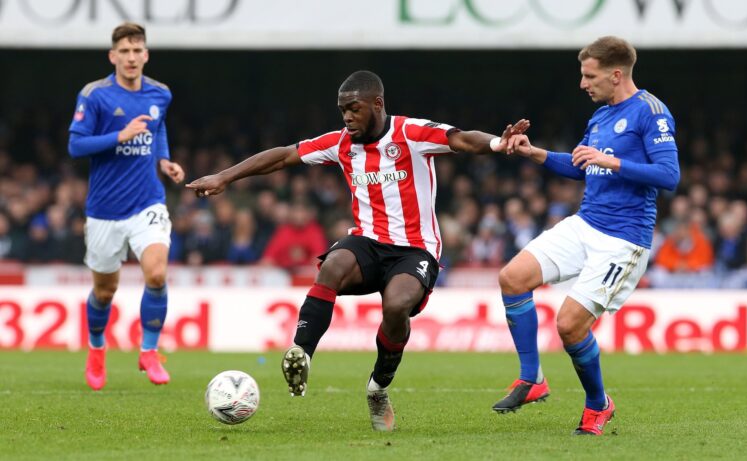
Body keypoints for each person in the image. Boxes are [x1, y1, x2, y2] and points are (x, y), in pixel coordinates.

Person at [187, 70, 529, 431]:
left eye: (354, 108)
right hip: (366, 241)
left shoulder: (409, 133)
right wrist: (224, 177)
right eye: (342, 110)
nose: (347, 117)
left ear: (377, 104)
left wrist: (496, 143)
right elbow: (284, 156)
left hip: (415, 250)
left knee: (397, 307)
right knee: (332, 265)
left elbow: (460, 139)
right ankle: (301, 353)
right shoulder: (340, 142)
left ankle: (378, 388)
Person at [492, 36, 680, 435]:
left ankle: (599, 404)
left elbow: (669, 176)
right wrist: (534, 152)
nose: (583, 83)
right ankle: (532, 379)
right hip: (585, 223)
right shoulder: (599, 117)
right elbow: (581, 166)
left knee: (570, 326)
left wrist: (611, 161)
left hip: (623, 239)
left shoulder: (651, 112)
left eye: (589, 75)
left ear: (616, 74)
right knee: (512, 277)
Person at [68, 23, 185, 391]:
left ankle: (149, 351)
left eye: (138, 50)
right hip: (104, 209)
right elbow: (76, 146)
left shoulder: (160, 93)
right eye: (125, 51)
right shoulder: (95, 95)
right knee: (105, 291)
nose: (132, 57)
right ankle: (97, 348)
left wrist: (164, 160)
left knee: (156, 274)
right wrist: (119, 135)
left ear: (146, 55)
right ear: (113, 56)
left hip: (147, 201)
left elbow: (157, 127)